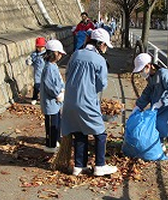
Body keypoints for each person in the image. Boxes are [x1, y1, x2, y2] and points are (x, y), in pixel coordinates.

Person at [62, 28, 118, 176]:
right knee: (100, 133)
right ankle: (100, 165)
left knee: (79, 131)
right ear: (100, 44)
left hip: (69, 101)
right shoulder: (99, 60)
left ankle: (79, 166)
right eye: (105, 45)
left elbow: (67, 74)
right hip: (86, 101)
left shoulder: (76, 54)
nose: (105, 48)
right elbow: (102, 84)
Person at [131, 53, 168, 158]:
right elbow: (148, 92)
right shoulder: (151, 77)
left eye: (141, 70)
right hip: (167, 100)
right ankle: (161, 144)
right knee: (159, 120)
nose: (141, 73)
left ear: (148, 66)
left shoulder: (164, 74)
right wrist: (139, 106)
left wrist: (161, 102)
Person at [40, 39, 66, 153]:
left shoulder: (53, 66)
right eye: (59, 53)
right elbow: (49, 85)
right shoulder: (49, 68)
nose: (60, 55)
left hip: (55, 103)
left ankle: (55, 141)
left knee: (56, 122)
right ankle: (50, 145)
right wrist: (58, 94)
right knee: (51, 125)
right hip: (51, 102)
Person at [26, 37, 46, 105]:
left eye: (41, 47)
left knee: (46, 87)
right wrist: (29, 61)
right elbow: (30, 61)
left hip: (46, 74)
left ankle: (44, 98)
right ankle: (34, 98)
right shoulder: (34, 54)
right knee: (37, 86)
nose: (40, 49)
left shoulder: (46, 54)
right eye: (38, 47)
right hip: (37, 74)